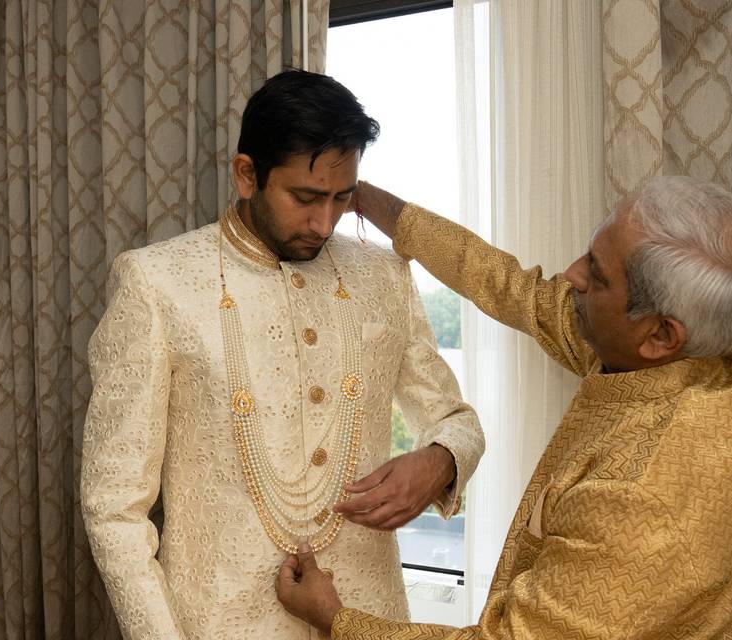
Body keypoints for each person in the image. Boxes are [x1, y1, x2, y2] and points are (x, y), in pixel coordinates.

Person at [275, 176, 732, 639]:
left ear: (660, 335)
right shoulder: (694, 362)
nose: (570, 275)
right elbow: (515, 289)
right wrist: (376, 204)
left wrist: (334, 618)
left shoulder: (643, 502)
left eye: (596, 276)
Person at [81, 71, 484, 639]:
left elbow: (455, 418)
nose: (325, 223)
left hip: (368, 617)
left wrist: (441, 460)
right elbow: (114, 507)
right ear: (248, 175)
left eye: (343, 198)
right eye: (305, 197)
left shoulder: (382, 274)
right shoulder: (157, 282)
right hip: (218, 622)